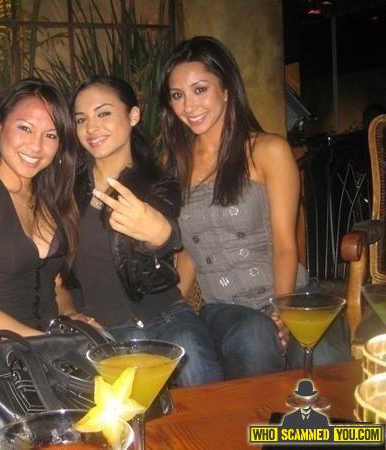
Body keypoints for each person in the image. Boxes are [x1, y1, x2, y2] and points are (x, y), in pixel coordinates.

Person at [159, 35, 348, 379]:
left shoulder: (267, 150)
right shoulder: (173, 166)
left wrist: (282, 310)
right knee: (253, 336)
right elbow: (187, 251)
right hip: (225, 309)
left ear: (226, 89)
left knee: (323, 356)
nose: (189, 106)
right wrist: (173, 307)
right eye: (177, 95)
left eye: (200, 89)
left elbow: (285, 244)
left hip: (292, 292)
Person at [52, 75, 223, 386]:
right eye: (81, 119)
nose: (91, 128)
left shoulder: (158, 182)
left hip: (167, 318)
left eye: (104, 113)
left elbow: (166, 231)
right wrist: (69, 312)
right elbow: (58, 275)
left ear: (133, 115)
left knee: (201, 381)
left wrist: (161, 234)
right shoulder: (65, 189)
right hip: (102, 330)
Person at [0, 78, 79, 336]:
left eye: (51, 135)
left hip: (50, 341)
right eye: (25, 128)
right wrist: (50, 345)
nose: (36, 145)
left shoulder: (52, 198)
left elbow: (56, 286)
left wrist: (74, 318)